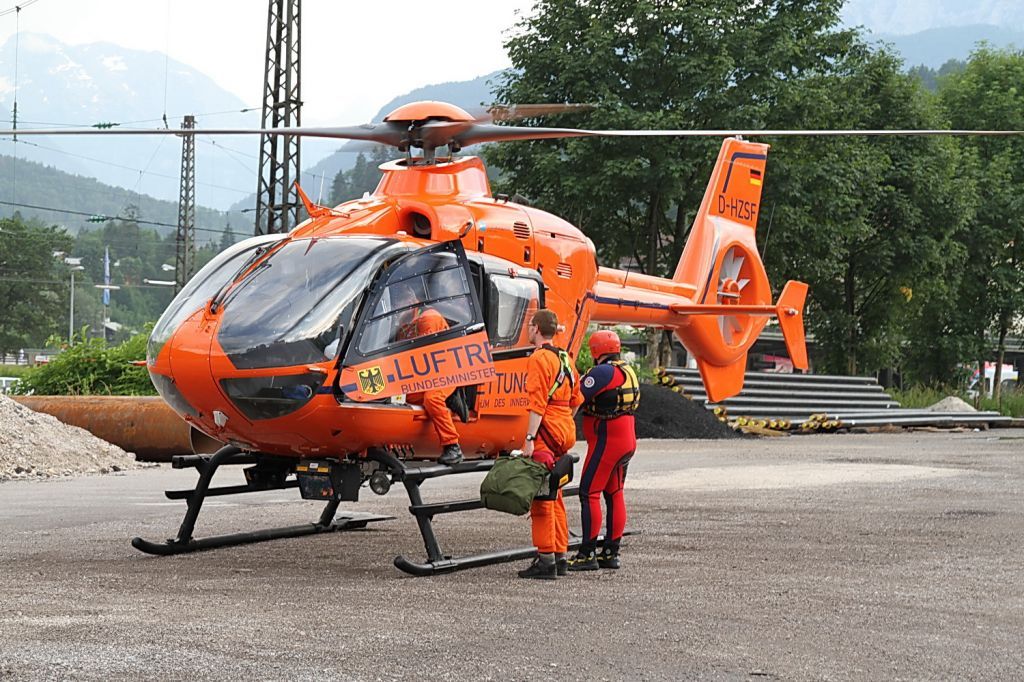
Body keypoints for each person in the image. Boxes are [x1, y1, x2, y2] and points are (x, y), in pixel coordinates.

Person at [517, 309, 583, 580]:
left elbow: (537, 403)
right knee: (556, 496)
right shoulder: (565, 358)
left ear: (535, 328)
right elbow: (576, 400)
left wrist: (530, 439)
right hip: (564, 431)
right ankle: (560, 555)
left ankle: (546, 560)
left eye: (529, 325)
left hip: (546, 435)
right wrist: (562, 423)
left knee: (542, 498)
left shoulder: (539, 358)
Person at [567, 329, 639, 571]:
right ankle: (611, 552)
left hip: (608, 440)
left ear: (596, 350)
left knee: (589, 493)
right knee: (614, 492)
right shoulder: (626, 369)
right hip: (626, 439)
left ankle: (586, 554)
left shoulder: (602, 372)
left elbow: (576, 398)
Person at [393, 280, 463, 466]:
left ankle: (452, 446)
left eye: (398, 303)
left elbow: (427, 357)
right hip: (422, 373)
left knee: (432, 399)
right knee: (398, 399)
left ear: (411, 300)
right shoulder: (403, 324)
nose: (396, 308)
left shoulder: (428, 318)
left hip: (445, 371)